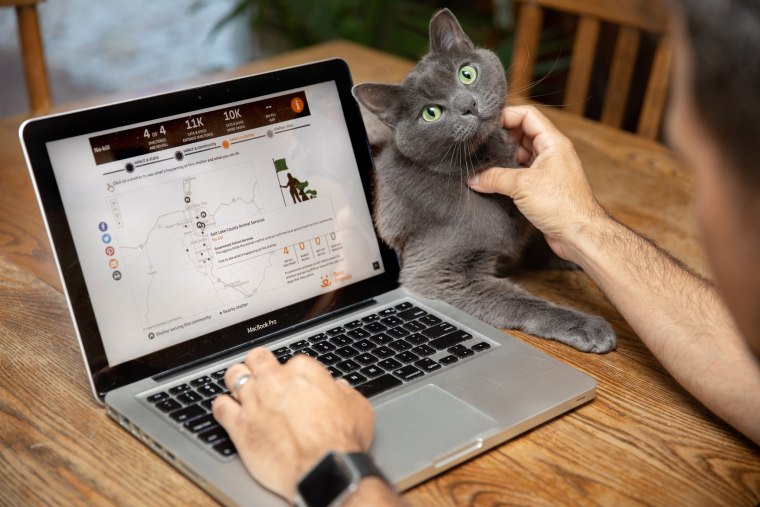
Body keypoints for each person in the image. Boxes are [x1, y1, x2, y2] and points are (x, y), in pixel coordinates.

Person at [212, 1, 760, 504]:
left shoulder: (512, 151)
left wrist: (576, 234)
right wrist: (545, 310)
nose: (468, 104)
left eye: (467, 73)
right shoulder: (420, 187)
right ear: (400, 124)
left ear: (474, 56)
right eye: (432, 113)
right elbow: (435, 282)